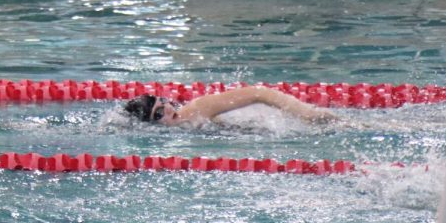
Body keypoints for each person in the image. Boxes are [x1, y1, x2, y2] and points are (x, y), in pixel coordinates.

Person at [123, 86, 337, 127]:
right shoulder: (183, 127)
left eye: (164, 103)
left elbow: (258, 93)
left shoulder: (198, 109)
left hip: (282, 120)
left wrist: (305, 113)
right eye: (159, 114)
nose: (169, 109)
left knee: (318, 119)